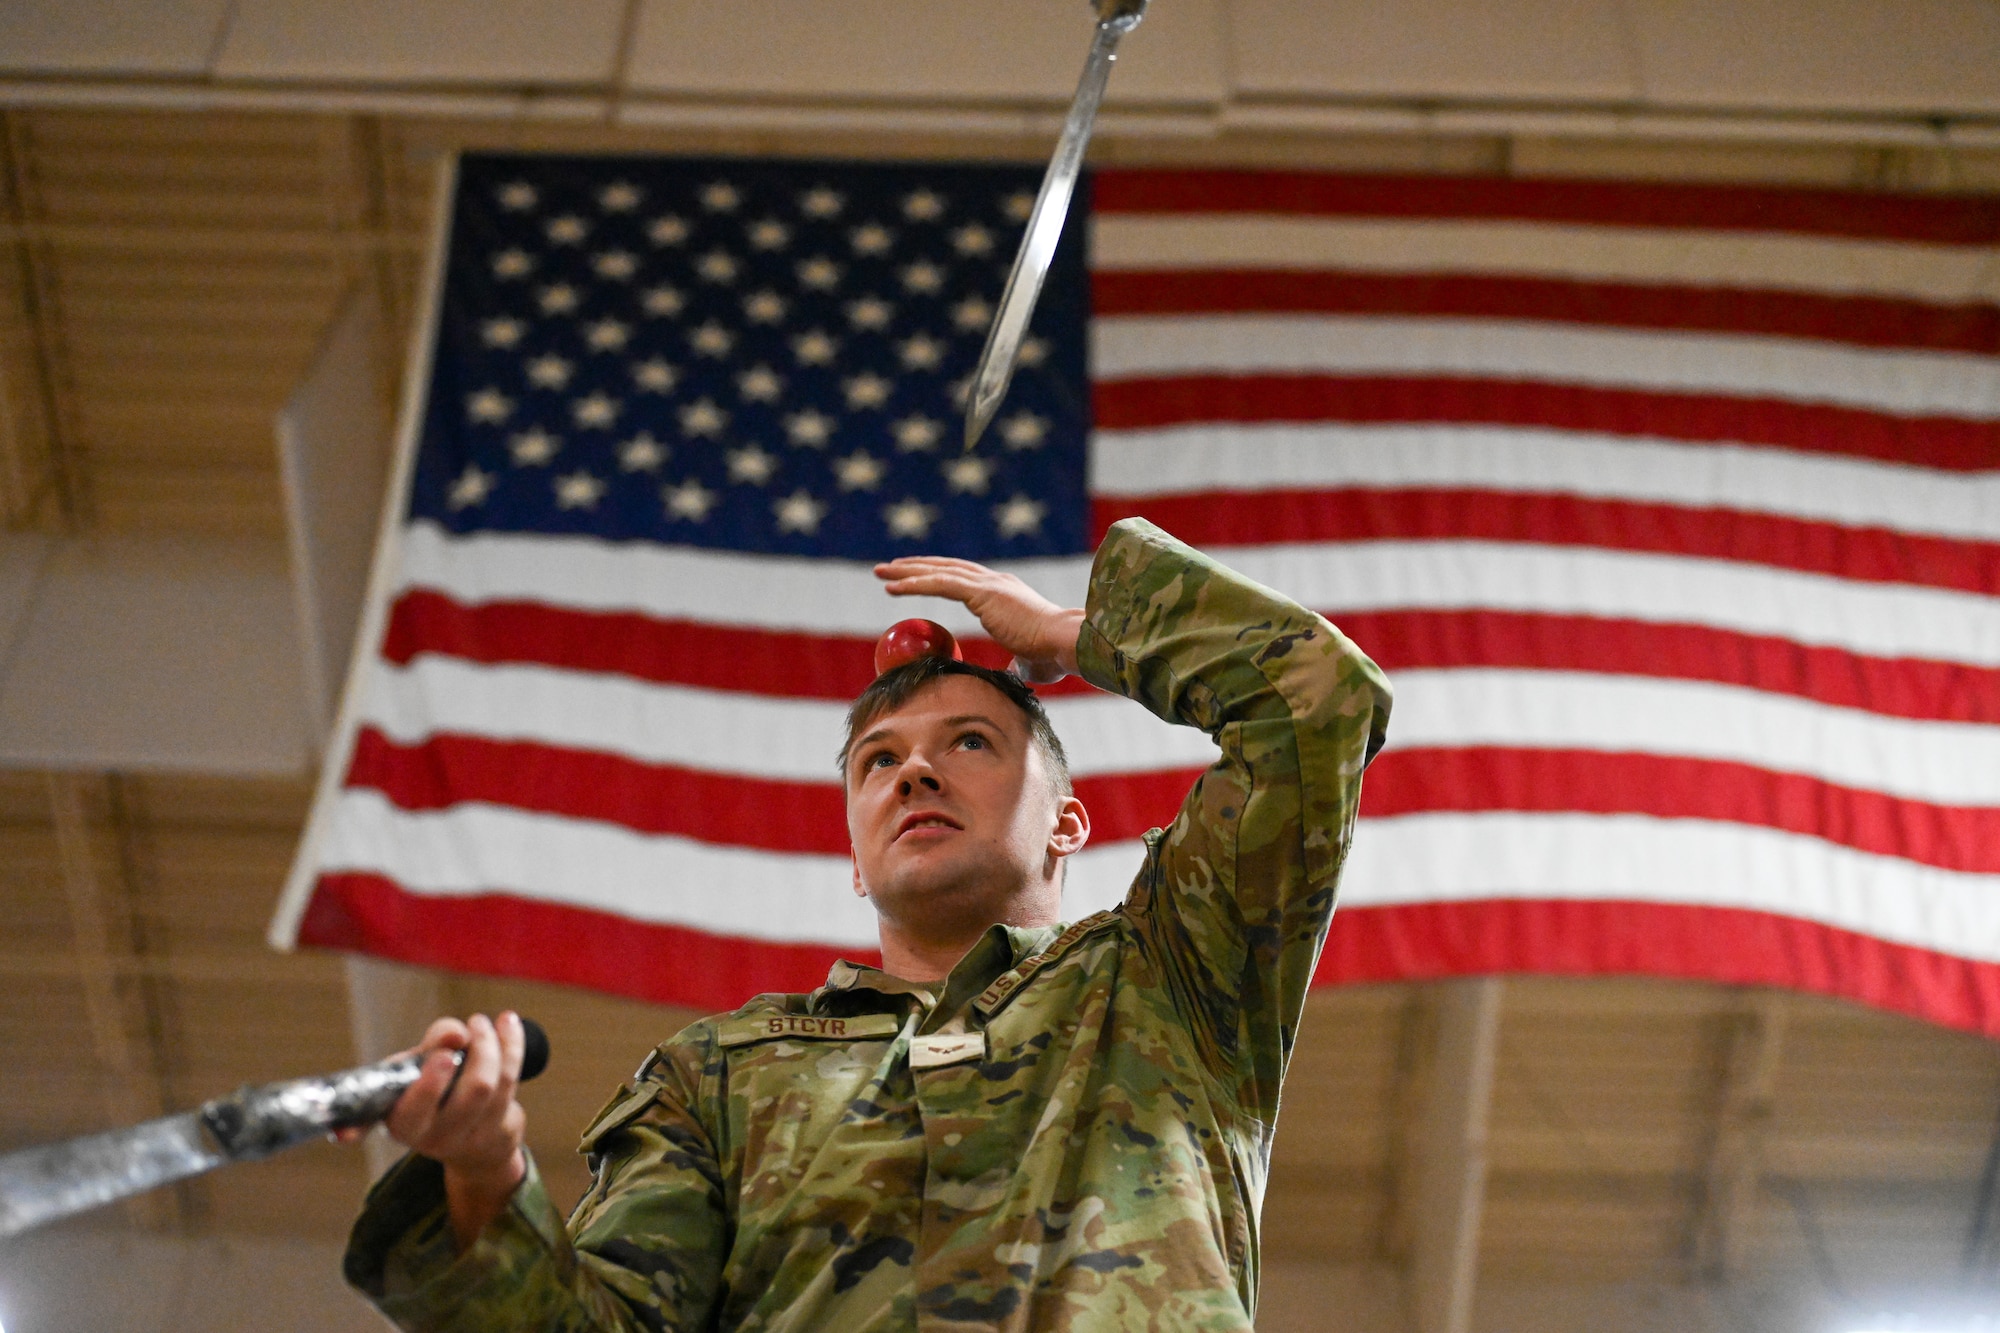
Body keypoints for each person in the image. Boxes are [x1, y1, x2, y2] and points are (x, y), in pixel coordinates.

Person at [342, 517, 1391, 1331]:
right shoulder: (717, 1078)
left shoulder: (1172, 977)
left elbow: (1315, 703)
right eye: (877, 760)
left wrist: (1079, 635)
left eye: (970, 741)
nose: (915, 770)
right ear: (854, 856)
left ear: (1068, 821)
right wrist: (484, 1177)